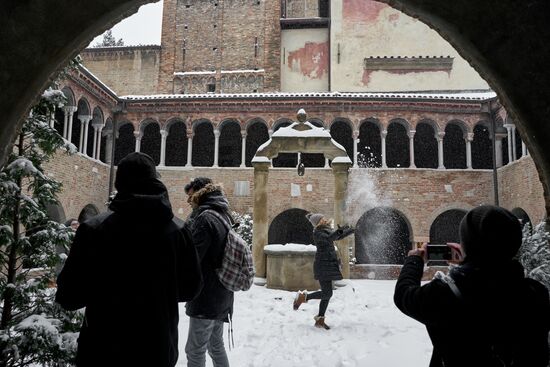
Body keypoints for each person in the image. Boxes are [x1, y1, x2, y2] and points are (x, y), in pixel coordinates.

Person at [56, 152, 203, 367]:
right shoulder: (179, 231)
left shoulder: (94, 229)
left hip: (103, 348)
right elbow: (191, 288)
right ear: (155, 181)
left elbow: (69, 296)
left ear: (119, 183)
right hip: (156, 348)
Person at [394, 205, 550, 367]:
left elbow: (404, 294)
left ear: (468, 242)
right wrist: (471, 260)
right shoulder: (534, 293)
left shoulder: (445, 294)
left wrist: (415, 260)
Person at [184, 178, 234, 367]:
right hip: (221, 293)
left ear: (199, 193)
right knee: (215, 345)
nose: (188, 201)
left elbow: (192, 258)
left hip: (206, 296)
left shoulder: (204, 218)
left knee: (195, 350)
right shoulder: (222, 214)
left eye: (190, 196)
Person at [293, 213, 354, 330]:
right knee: (327, 293)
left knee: (327, 294)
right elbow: (329, 238)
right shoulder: (318, 233)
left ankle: (320, 320)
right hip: (323, 265)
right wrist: (339, 231)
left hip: (327, 264)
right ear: (318, 222)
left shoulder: (325, 230)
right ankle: (303, 297)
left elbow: (337, 237)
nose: (325, 219)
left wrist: (350, 230)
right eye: (322, 218)